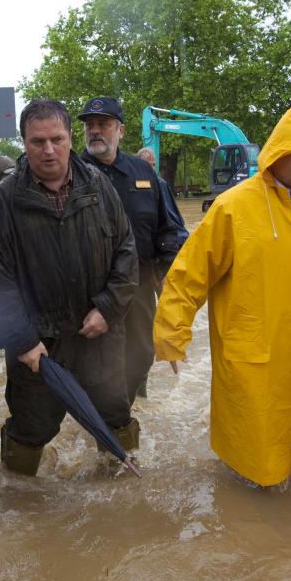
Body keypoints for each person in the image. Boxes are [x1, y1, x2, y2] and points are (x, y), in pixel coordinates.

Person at [153, 107, 291, 487]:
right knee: (248, 442)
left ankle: (282, 498)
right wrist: (171, 335)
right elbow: (189, 276)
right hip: (250, 352)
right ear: (277, 156)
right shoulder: (233, 207)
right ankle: (248, 505)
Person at [0, 98, 139, 476]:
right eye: (38, 141)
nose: (48, 150)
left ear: (69, 138)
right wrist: (22, 341)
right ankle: (19, 498)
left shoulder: (99, 186)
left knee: (115, 421)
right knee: (29, 432)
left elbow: (127, 253)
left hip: (100, 341)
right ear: (24, 142)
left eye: (57, 139)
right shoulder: (2, 202)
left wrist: (109, 307)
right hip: (39, 352)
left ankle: (123, 492)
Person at [79, 96, 179, 403]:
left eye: (104, 124)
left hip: (139, 285)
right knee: (96, 364)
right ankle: (110, 419)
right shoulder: (72, 173)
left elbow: (167, 229)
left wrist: (165, 275)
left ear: (120, 131)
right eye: (90, 125)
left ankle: (125, 409)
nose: (95, 130)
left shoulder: (143, 172)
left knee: (142, 354)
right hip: (91, 292)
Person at [136, 146, 189, 247]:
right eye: (148, 165)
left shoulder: (160, 183)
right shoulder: (130, 183)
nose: (152, 168)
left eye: (154, 165)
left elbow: (171, 216)